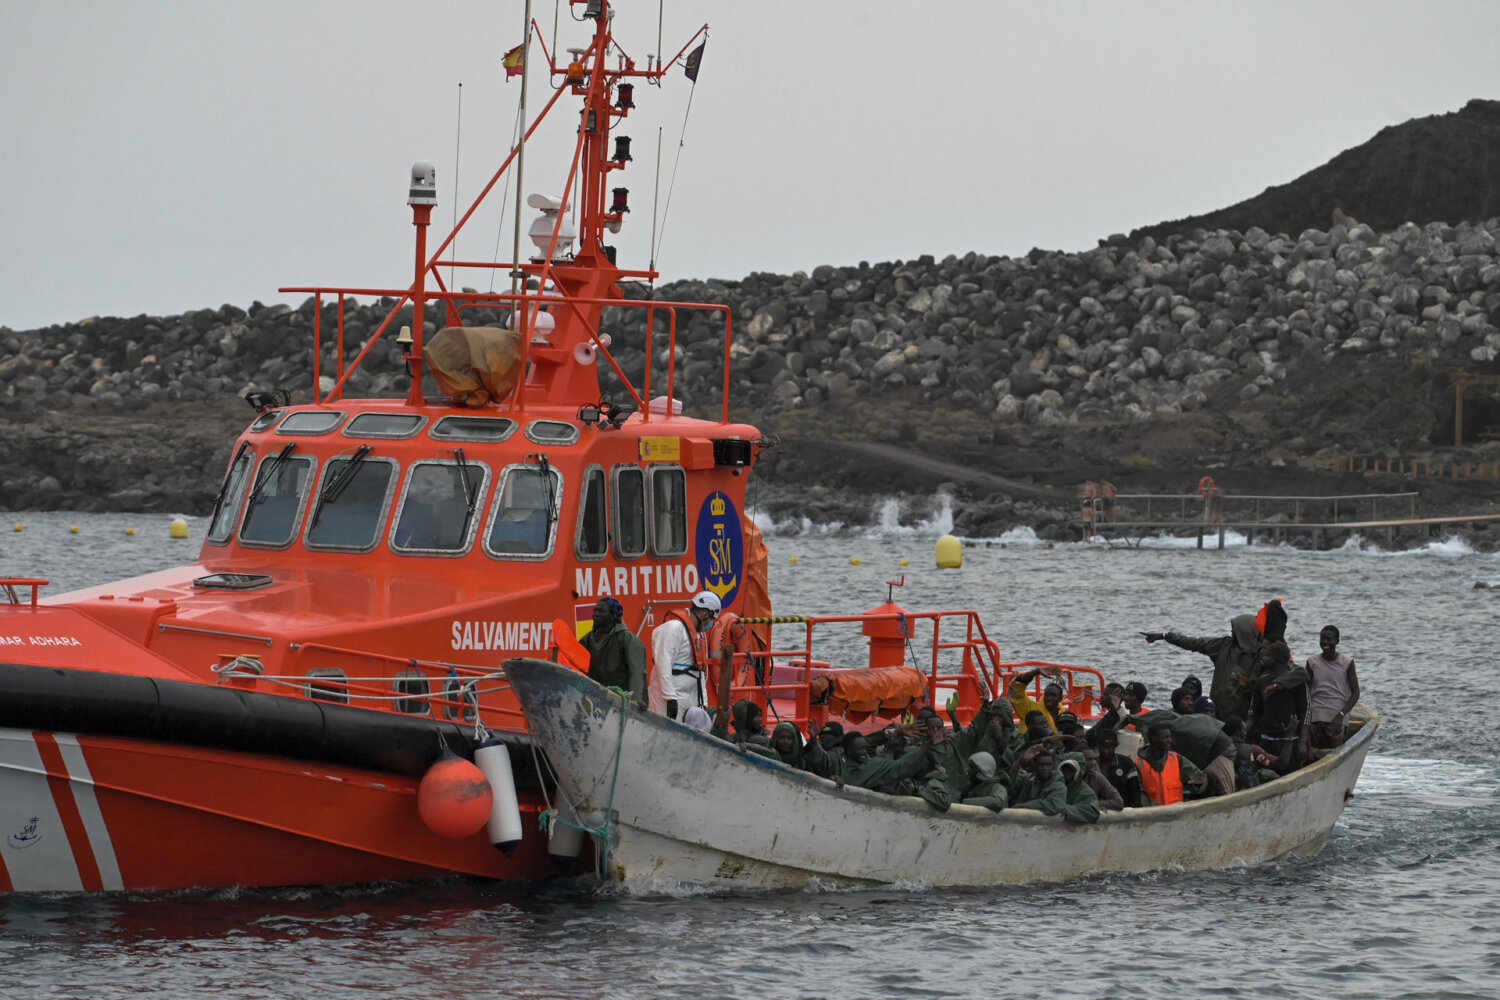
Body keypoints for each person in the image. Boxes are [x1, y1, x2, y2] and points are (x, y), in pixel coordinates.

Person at [1141, 599, 1286, 723]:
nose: (1231, 632)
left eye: (1235, 629)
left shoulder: (1262, 655)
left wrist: (1247, 685)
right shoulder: (1224, 645)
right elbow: (1195, 643)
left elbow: (1266, 687)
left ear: (1245, 630)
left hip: (1242, 717)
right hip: (1216, 711)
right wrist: (1165, 636)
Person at [649, 590, 720, 720]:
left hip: (690, 700)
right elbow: (663, 663)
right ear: (705, 615)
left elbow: (701, 673)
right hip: (670, 699)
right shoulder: (674, 628)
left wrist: (703, 703)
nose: (711, 623)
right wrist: (670, 697)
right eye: (711, 619)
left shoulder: (699, 635)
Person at [1249, 640, 1309, 772]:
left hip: (1291, 741)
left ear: (1277, 659)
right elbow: (1254, 713)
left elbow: (1306, 711)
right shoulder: (1261, 682)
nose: (1262, 656)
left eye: (1268, 655)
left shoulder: (1297, 681)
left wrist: (1303, 742)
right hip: (1266, 741)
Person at [580, 597, 647, 707]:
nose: (595, 614)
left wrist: (635, 702)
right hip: (595, 699)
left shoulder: (628, 640)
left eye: (601, 611)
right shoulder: (586, 640)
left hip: (622, 701)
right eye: (595, 610)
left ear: (613, 615)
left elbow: (636, 672)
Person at [1305, 625, 1360, 752]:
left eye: (1329, 639)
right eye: (1322, 639)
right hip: (1316, 714)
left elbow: (1355, 693)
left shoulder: (1347, 663)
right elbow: (1306, 692)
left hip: (1337, 715)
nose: (1325, 643)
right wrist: (1307, 720)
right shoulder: (1312, 662)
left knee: (1334, 745)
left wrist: (1341, 716)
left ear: (1337, 641)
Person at [1135, 722, 1206, 806]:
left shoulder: (1177, 759)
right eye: (1166, 737)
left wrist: (1199, 784)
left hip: (1176, 812)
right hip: (1153, 814)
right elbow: (1138, 794)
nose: (1170, 740)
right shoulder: (1138, 764)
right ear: (1154, 738)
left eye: (1170, 737)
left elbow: (1196, 780)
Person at [1093, 727, 1143, 807]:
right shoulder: (1093, 764)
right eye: (1103, 747)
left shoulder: (1126, 763)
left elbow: (1134, 791)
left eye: (1109, 748)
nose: (1106, 751)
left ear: (1115, 746)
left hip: (1122, 811)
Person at [1008, 746, 1066, 814]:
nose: (1045, 768)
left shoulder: (1058, 784)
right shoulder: (1027, 779)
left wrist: (1024, 806)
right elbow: (1008, 785)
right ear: (1034, 765)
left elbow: (1055, 805)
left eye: (1048, 765)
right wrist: (1020, 760)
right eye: (1041, 765)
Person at [1009, 667, 1065, 735]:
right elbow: (1017, 689)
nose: (1049, 698)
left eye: (1053, 695)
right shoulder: (1030, 709)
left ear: (1060, 698)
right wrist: (1036, 672)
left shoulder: (1063, 715)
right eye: (1047, 695)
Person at [1057, 759, 1101, 824]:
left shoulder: (1084, 790)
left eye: (1071, 769)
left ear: (1076, 772)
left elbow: (1092, 812)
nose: (1068, 772)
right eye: (1065, 769)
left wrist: (1068, 810)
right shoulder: (1054, 786)